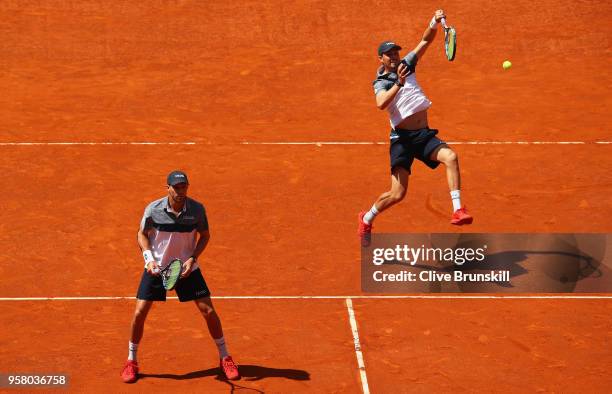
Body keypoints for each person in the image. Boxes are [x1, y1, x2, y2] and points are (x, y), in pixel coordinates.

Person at [358, 9, 473, 246]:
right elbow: (381, 104)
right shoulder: (380, 82)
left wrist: (434, 21)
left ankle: (458, 209)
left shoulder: (407, 63)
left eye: (395, 52)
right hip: (402, 140)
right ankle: (367, 218)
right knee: (397, 194)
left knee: (450, 157)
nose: (394, 56)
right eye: (388, 54)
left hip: (423, 134)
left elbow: (425, 41)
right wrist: (399, 84)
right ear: (380, 59)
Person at [120, 170, 240, 383]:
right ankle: (131, 360)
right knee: (139, 313)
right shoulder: (153, 210)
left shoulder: (197, 210)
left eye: (184, 186)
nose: (180, 191)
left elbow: (205, 236)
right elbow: (141, 234)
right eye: (176, 187)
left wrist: (192, 258)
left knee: (208, 311)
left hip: (186, 268)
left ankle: (225, 357)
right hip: (157, 267)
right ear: (168, 188)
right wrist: (148, 258)